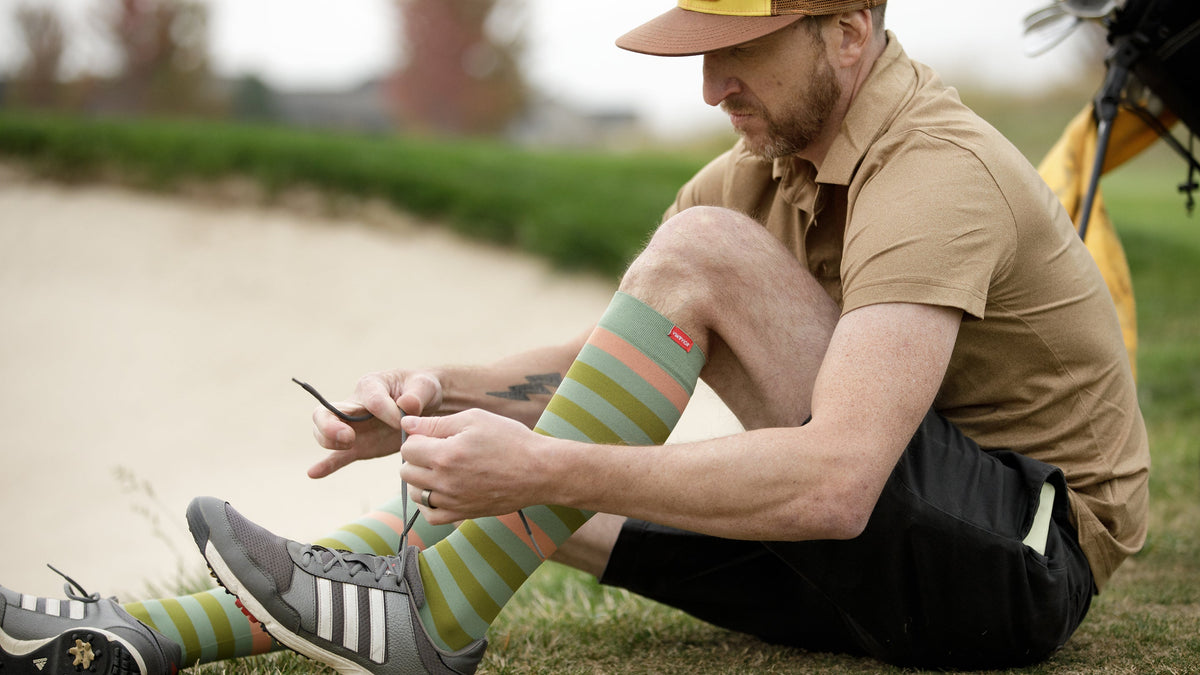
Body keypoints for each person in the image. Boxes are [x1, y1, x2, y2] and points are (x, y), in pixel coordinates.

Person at [1, 1, 1149, 674]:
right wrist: (441, 393)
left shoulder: (932, 170)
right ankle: (145, 634)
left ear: (849, 34)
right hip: (910, 561)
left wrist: (545, 465)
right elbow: (618, 361)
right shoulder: (765, 172)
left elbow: (841, 485)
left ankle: (430, 627)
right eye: (699, 51)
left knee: (643, 333)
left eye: (737, 52)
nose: (710, 87)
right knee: (474, 492)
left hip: (1023, 560)